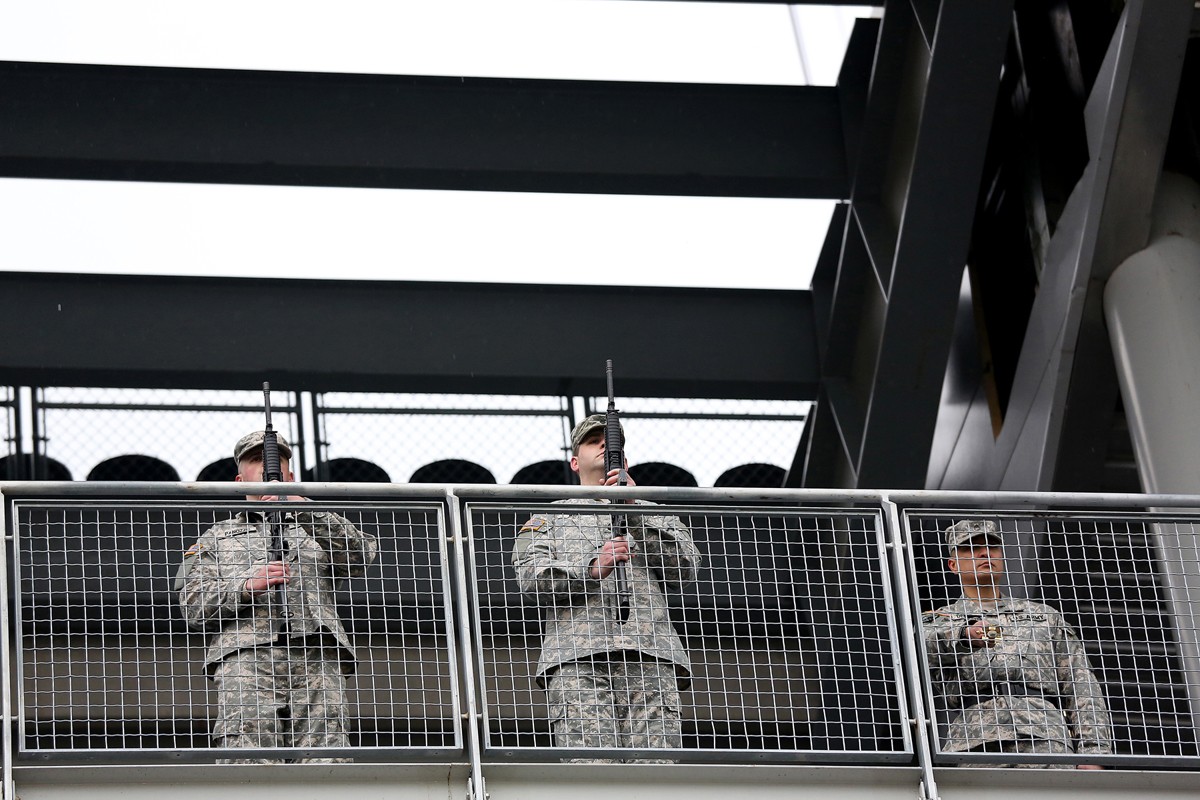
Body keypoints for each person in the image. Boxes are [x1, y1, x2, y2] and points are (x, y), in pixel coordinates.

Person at [176, 430, 378, 763]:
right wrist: (243, 586)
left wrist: (305, 510)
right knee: (248, 758)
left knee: (326, 759)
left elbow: (359, 557)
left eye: (277, 463)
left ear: (291, 475)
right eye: (257, 461)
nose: (268, 469)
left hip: (317, 654)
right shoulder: (218, 536)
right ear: (241, 480)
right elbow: (193, 606)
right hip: (247, 658)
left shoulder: (314, 527)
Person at [512, 414, 701, 762]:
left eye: (610, 442)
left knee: (657, 773)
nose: (603, 445)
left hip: (650, 656)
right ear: (574, 461)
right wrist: (590, 569)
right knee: (591, 774)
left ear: (625, 461)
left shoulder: (655, 512)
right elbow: (531, 579)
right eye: (592, 440)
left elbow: (686, 569)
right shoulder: (547, 518)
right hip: (577, 660)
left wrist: (634, 511)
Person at [922, 519, 1113, 768]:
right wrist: (964, 635)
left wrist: (1093, 752)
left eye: (992, 547)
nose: (984, 552)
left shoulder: (1043, 615)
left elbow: (1080, 683)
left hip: (1047, 741)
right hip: (978, 744)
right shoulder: (938, 620)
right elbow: (922, 649)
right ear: (953, 565)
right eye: (970, 547)